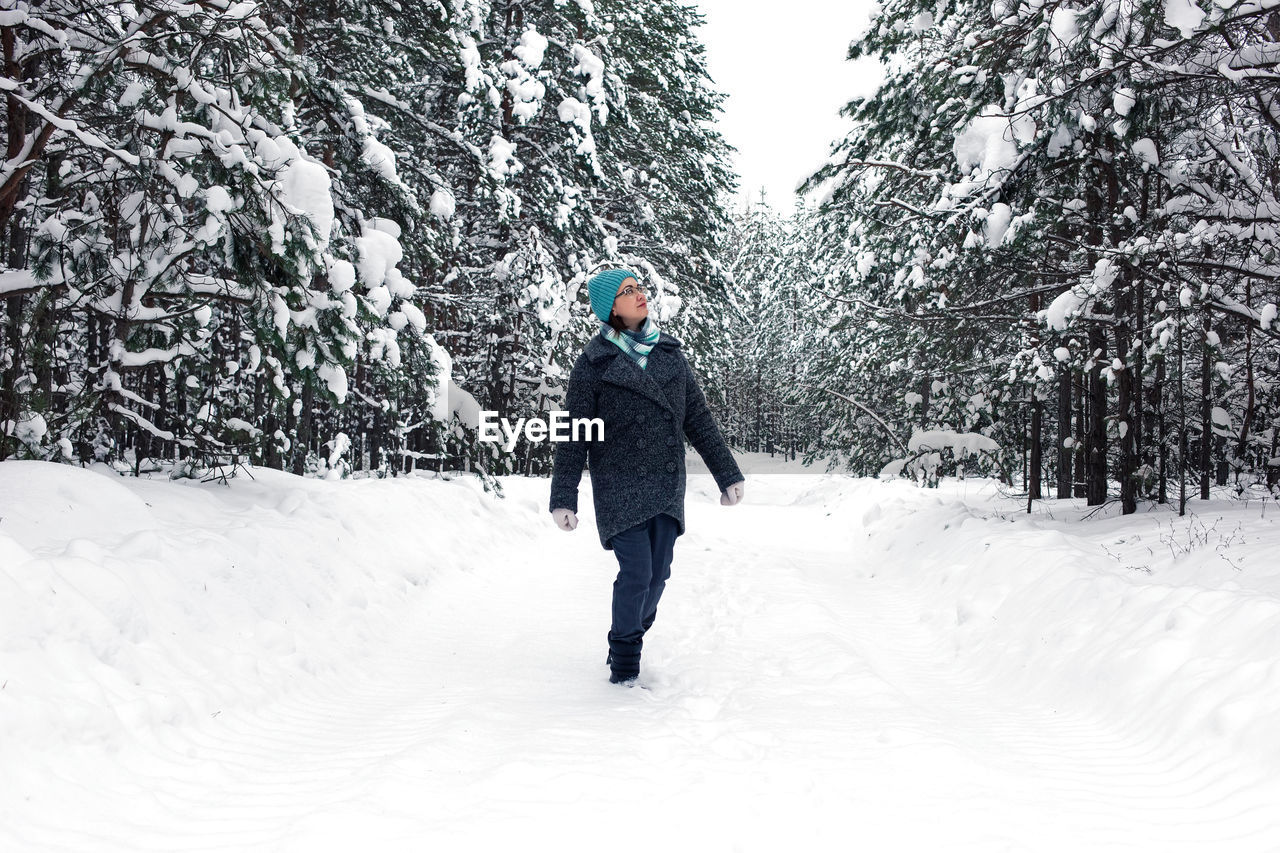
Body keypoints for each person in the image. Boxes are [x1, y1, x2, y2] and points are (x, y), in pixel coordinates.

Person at [549, 267, 746, 687]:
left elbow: (698, 418)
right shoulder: (593, 365)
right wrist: (564, 496)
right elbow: (572, 434)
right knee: (637, 572)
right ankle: (624, 661)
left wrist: (725, 472)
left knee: (659, 574)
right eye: (627, 291)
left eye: (638, 287)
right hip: (619, 485)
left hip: (665, 482)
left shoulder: (670, 355)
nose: (639, 295)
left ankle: (631, 633)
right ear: (610, 308)